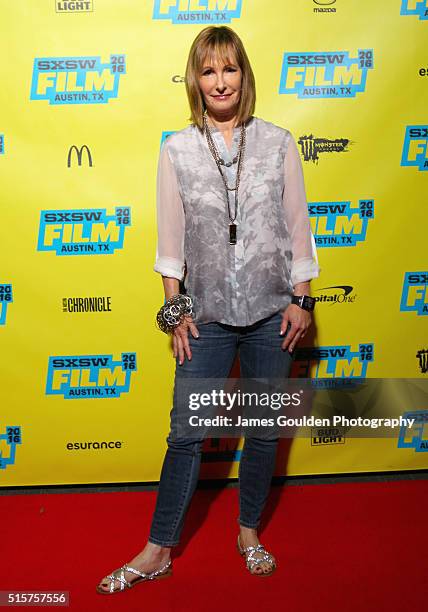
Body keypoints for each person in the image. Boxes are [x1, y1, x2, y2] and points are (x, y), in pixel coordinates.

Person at [96, 25, 320, 594]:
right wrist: (175, 313)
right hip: (207, 314)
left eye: (230, 68)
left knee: (264, 431)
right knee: (187, 436)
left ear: (244, 76)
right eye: (209, 70)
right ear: (196, 80)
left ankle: (249, 533)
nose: (221, 80)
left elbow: (298, 228)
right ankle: (158, 550)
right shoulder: (176, 149)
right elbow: (170, 244)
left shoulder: (278, 142)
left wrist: (302, 299)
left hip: (275, 314)